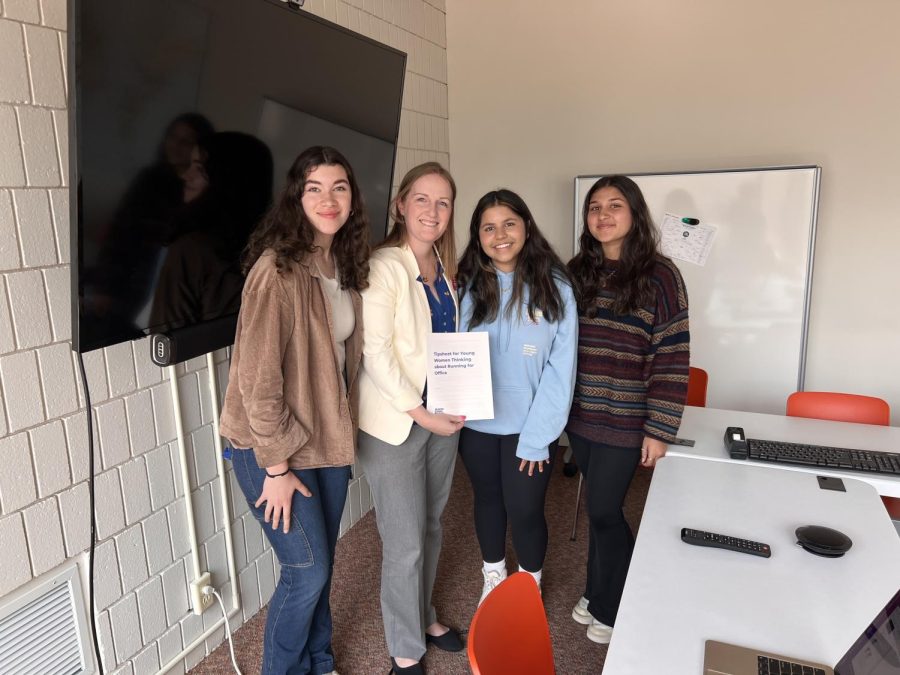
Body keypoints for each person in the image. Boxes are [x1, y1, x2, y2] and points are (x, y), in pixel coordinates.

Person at [219, 146, 370, 675]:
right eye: (314, 188)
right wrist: (277, 468)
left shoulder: (340, 264)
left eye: (339, 187)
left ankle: (319, 662)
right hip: (271, 446)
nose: (328, 200)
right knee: (306, 571)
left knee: (322, 569)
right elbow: (257, 383)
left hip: (325, 439)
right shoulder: (276, 270)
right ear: (296, 197)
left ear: (352, 198)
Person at [566, 175, 690, 645]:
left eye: (614, 205)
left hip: (627, 420)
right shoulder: (576, 271)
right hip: (581, 416)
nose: (602, 215)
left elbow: (673, 355)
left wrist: (659, 428)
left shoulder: (660, 275)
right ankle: (598, 591)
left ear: (634, 214)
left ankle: (619, 604)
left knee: (603, 511)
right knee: (601, 509)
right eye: (594, 207)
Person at [356, 162, 464, 675]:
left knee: (431, 524)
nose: (433, 211)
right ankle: (404, 647)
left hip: (440, 418)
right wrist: (421, 411)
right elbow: (375, 353)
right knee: (403, 542)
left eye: (443, 203)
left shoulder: (444, 268)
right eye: (422, 199)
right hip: (399, 422)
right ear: (401, 204)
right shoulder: (384, 266)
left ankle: (421, 616)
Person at [456, 189, 577, 604]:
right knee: (488, 502)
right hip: (476, 424)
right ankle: (493, 574)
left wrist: (539, 435)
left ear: (526, 226)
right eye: (489, 227)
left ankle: (528, 585)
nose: (500, 235)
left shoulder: (556, 287)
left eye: (509, 223)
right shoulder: (467, 286)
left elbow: (562, 372)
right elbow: (450, 353)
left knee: (525, 510)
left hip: (530, 427)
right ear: (478, 236)